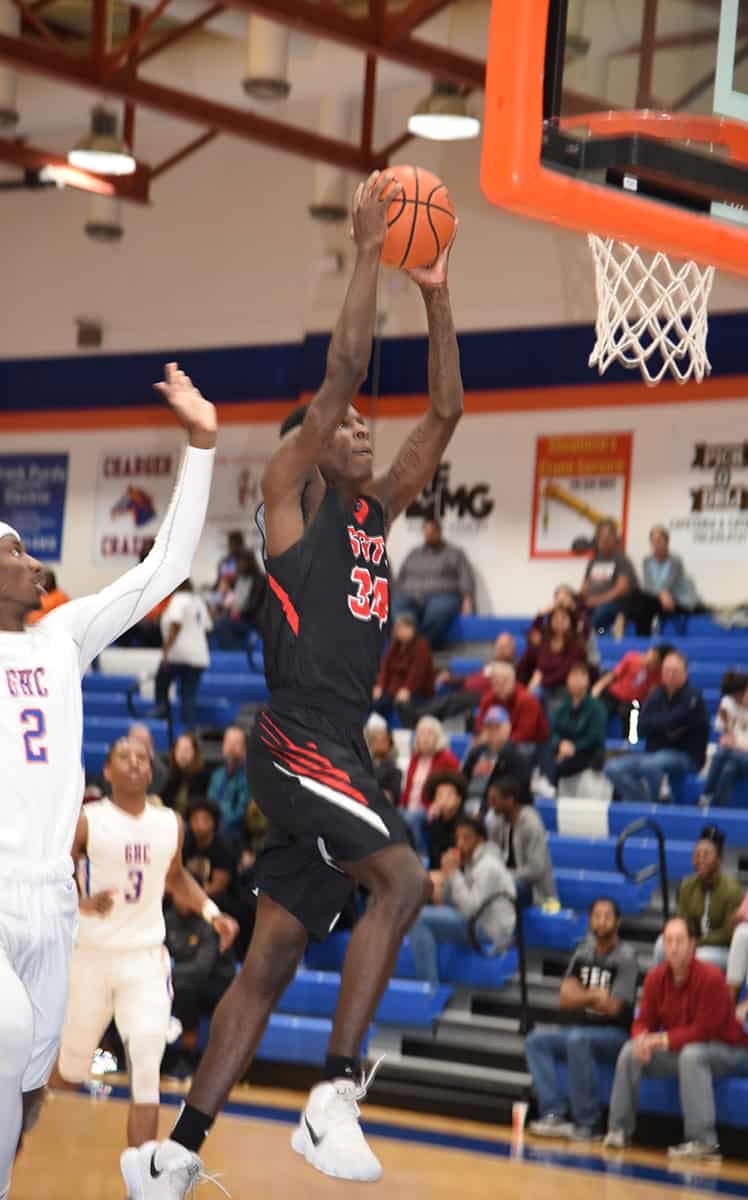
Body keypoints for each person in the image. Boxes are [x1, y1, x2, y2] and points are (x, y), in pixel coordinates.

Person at [123, 168, 465, 1194]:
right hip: (294, 744)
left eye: (362, 428)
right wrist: (370, 247)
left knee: (268, 959)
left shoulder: (377, 517)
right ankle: (334, 1097)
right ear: (313, 449)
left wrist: (437, 288)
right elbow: (343, 367)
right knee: (401, 877)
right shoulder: (287, 503)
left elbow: (444, 412)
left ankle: (174, 1154)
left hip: (337, 751)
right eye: (342, 427)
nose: (360, 428)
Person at [0, 362, 215, 1199]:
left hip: (53, 899)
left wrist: (200, 444)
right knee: (8, 1038)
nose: (31, 559)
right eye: (13, 550)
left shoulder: (64, 637)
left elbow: (163, 569)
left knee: (27, 1095)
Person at [50, 738, 237, 1149]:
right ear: (108, 771)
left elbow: (175, 878)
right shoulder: (87, 819)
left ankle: (145, 1181)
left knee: (147, 1066)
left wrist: (212, 913)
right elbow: (54, 871)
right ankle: (20, 1140)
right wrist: (78, 902)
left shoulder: (170, 823)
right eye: (124, 757)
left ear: (152, 772)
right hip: (91, 959)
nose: (134, 763)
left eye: (142, 758)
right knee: (71, 1069)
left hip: (145, 959)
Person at [604, 916, 748, 1160]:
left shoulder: (711, 977)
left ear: (692, 945)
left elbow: (703, 1030)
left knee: (692, 1056)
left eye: (679, 941)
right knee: (630, 1051)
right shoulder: (655, 978)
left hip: (731, 1050)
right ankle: (618, 1131)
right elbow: (642, 1021)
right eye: (668, 940)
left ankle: (703, 1142)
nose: (672, 947)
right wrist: (641, 1039)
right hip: (686, 1048)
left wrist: (659, 1041)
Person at [527, 898, 638, 1141]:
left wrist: (582, 995)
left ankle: (590, 1124)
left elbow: (613, 1007)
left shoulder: (627, 958)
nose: (601, 920)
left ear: (617, 922)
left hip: (615, 1036)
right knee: (536, 1040)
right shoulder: (583, 951)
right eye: (597, 915)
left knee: (578, 1039)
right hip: (580, 1029)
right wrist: (593, 996)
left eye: (607, 915)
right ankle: (553, 1113)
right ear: (590, 921)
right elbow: (564, 998)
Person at [408, 816, 515, 986]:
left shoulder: (487, 865)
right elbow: (449, 902)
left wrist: (454, 875)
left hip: (492, 931)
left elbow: (470, 908)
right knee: (421, 921)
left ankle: (430, 988)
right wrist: (447, 875)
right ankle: (433, 984)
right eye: (457, 838)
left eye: (466, 838)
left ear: (480, 840)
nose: (459, 844)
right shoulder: (474, 862)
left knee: (416, 919)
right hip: (480, 922)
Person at [604, 651, 709, 804]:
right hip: (653, 754)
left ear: (685, 673)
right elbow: (642, 726)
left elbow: (673, 720)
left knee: (651, 764)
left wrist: (659, 723)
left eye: (675, 671)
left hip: (686, 756)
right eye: (666, 670)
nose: (670, 675)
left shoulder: (693, 697)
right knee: (612, 768)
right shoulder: (656, 694)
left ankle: (660, 805)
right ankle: (644, 804)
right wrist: (665, 725)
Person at [164, 894, 237, 1079]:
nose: (184, 900)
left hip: (215, 983)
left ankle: (187, 1058)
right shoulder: (167, 919)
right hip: (178, 980)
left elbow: (201, 968)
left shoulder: (209, 923)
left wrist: (169, 972)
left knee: (186, 991)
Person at [652, 827, 743, 970]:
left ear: (719, 859)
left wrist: (696, 942)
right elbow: (682, 921)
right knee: (661, 945)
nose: (700, 859)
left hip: (722, 949)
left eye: (706, 855)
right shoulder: (687, 885)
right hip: (693, 942)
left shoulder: (732, 890)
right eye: (697, 855)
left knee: (700, 956)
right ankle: (662, 987)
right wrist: (685, 940)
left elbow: (728, 934)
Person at [392, 517, 475, 648]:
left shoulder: (455, 553)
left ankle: (418, 647)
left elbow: (465, 577)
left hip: (442, 596)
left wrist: (467, 600)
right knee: (398, 607)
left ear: (439, 531)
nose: (428, 535)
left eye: (432, 532)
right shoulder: (414, 554)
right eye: (426, 531)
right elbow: (401, 579)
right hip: (411, 597)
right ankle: (410, 644)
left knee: (437, 610)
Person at [410, 632, 517, 727]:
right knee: (449, 699)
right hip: (469, 691)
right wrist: (451, 678)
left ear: (512, 649)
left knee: (452, 700)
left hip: (485, 695)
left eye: (504, 647)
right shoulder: (491, 663)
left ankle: (416, 717)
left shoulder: (511, 667)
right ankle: (423, 721)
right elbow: (474, 677)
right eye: (499, 646)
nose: (500, 650)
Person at [486, 773, 558, 907]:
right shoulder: (496, 823)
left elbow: (535, 869)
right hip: (505, 881)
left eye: (494, 800)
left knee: (506, 886)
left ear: (510, 800)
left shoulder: (531, 824)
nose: (490, 804)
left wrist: (504, 875)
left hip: (535, 891)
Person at [155, 579, 212, 728]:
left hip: (179, 654)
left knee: (162, 682)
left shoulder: (178, 599)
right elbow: (208, 628)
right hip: (199, 656)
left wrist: (166, 651)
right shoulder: (198, 601)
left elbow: (176, 623)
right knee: (188, 695)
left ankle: (160, 719)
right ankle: (189, 731)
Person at [400, 716, 460, 845]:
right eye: (421, 734)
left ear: (438, 737)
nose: (425, 738)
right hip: (409, 807)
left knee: (412, 818)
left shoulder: (447, 759)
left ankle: (417, 854)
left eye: (429, 734)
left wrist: (437, 804)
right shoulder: (415, 758)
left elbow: (455, 788)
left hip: (429, 807)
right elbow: (408, 788)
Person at [516, 604, 587, 714]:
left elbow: (565, 671)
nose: (559, 620)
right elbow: (533, 637)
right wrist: (540, 615)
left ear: (570, 621)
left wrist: (541, 679)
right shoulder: (545, 640)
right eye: (556, 617)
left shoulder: (576, 644)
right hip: (543, 686)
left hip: (564, 687)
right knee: (528, 699)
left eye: (563, 617)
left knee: (554, 708)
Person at [461, 705, 532, 812]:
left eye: (497, 726)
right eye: (489, 726)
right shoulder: (476, 753)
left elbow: (516, 792)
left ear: (508, 728)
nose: (493, 731)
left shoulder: (517, 756)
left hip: (497, 808)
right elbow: (462, 779)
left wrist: (483, 809)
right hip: (468, 801)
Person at [592, 643, 673, 733]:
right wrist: (598, 687)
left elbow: (653, 694)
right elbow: (613, 675)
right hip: (614, 694)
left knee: (628, 713)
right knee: (601, 711)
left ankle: (627, 743)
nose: (650, 661)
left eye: (655, 662)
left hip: (633, 702)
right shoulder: (631, 658)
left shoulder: (657, 675)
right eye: (652, 655)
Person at [372, 612, 435, 724]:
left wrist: (407, 689)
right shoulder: (395, 645)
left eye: (401, 628)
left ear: (411, 628)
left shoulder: (422, 646)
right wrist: (380, 686)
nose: (398, 632)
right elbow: (385, 668)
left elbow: (417, 672)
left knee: (404, 706)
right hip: (392, 690)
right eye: (397, 629)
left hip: (417, 692)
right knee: (374, 701)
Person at [475, 662, 549, 755]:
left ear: (513, 681)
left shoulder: (527, 700)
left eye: (504, 681)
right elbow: (479, 724)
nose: (500, 686)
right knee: (476, 747)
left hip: (531, 743)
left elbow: (524, 734)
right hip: (496, 740)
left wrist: (499, 740)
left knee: (513, 751)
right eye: (496, 682)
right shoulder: (488, 698)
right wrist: (485, 735)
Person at [550, 663, 607, 785]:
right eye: (573, 676)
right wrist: (560, 744)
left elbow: (595, 737)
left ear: (587, 680)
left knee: (561, 766)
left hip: (586, 753)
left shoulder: (596, 708)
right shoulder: (562, 707)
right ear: (567, 680)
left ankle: (551, 791)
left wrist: (574, 747)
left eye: (581, 676)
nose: (577, 681)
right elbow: (553, 731)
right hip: (563, 750)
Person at [579, 518, 638, 635]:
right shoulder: (593, 561)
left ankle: (586, 640)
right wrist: (577, 600)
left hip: (615, 603)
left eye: (607, 537)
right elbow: (585, 586)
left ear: (615, 539)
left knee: (600, 612)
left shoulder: (622, 560)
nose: (603, 540)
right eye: (600, 537)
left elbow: (621, 590)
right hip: (592, 602)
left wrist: (596, 601)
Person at [701, 671, 748, 807]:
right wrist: (728, 735)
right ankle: (717, 808)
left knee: (721, 754)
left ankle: (705, 795)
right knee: (728, 770)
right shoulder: (727, 703)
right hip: (734, 757)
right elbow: (724, 735)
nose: (736, 700)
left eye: (738, 696)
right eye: (733, 697)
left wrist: (735, 746)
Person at [639, 525, 696, 633]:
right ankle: (642, 639)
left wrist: (662, 593)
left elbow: (670, 585)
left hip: (675, 598)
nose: (656, 544)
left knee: (645, 604)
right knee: (641, 599)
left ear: (667, 542)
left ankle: (644, 636)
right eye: (653, 541)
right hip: (658, 599)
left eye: (659, 540)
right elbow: (648, 585)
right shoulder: (647, 560)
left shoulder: (675, 561)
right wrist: (661, 594)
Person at [182, 799, 237, 907]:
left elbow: (218, 887)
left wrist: (192, 898)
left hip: (220, 901)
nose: (199, 825)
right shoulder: (187, 843)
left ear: (214, 822)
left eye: (205, 820)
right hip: (193, 893)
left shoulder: (223, 848)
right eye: (195, 819)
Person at [212, 549, 267, 651]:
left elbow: (254, 604)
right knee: (218, 623)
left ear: (249, 562)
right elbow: (233, 599)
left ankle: (233, 652)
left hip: (251, 618)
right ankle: (231, 650)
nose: (238, 565)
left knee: (222, 625)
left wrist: (238, 611)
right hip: (239, 616)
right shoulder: (240, 578)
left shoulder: (260, 579)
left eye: (241, 562)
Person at [207, 725, 250, 840]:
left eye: (236, 743)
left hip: (237, 834)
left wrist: (219, 825)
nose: (231, 747)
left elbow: (242, 812)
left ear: (245, 748)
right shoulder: (217, 775)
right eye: (228, 742)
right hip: (213, 830)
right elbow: (210, 804)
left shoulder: (250, 777)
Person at [421, 770, 467, 870]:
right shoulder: (432, 823)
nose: (444, 799)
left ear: (459, 799)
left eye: (449, 795)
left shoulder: (465, 825)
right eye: (440, 795)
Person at [162, 732, 211, 817]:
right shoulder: (170, 775)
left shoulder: (203, 777)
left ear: (195, 753)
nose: (182, 754)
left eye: (187, 750)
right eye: (179, 749)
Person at [363, 719, 402, 807]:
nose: (379, 744)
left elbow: (394, 796)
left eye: (383, 741)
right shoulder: (364, 764)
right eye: (375, 740)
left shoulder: (394, 770)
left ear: (389, 744)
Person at [127, 722, 169, 800]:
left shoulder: (160, 771)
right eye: (137, 742)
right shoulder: (117, 764)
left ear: (151, 744)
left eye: (145, 742)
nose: (142, 747)